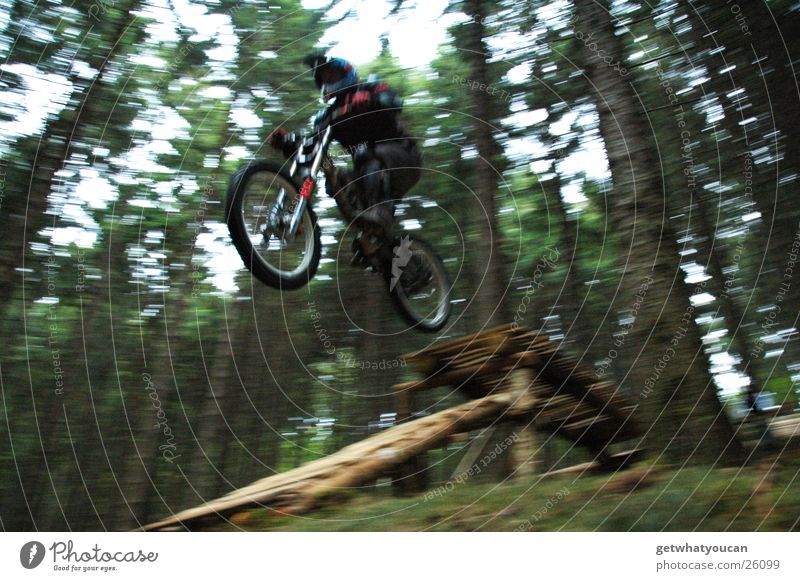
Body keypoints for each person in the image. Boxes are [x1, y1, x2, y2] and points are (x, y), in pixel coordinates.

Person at [267, 54, 421, 254]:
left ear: (347, 72)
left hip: (404, 157)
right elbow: (313, 150)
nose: (329, 80)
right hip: (368, 170)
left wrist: (372, 98)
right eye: (325, 78)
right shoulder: (328, 115)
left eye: (333, 74)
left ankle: (382, 212)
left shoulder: (369, 87)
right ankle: (369, 235)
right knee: (336, 181)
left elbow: (396, 101)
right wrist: (287, 144)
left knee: (364, 154)